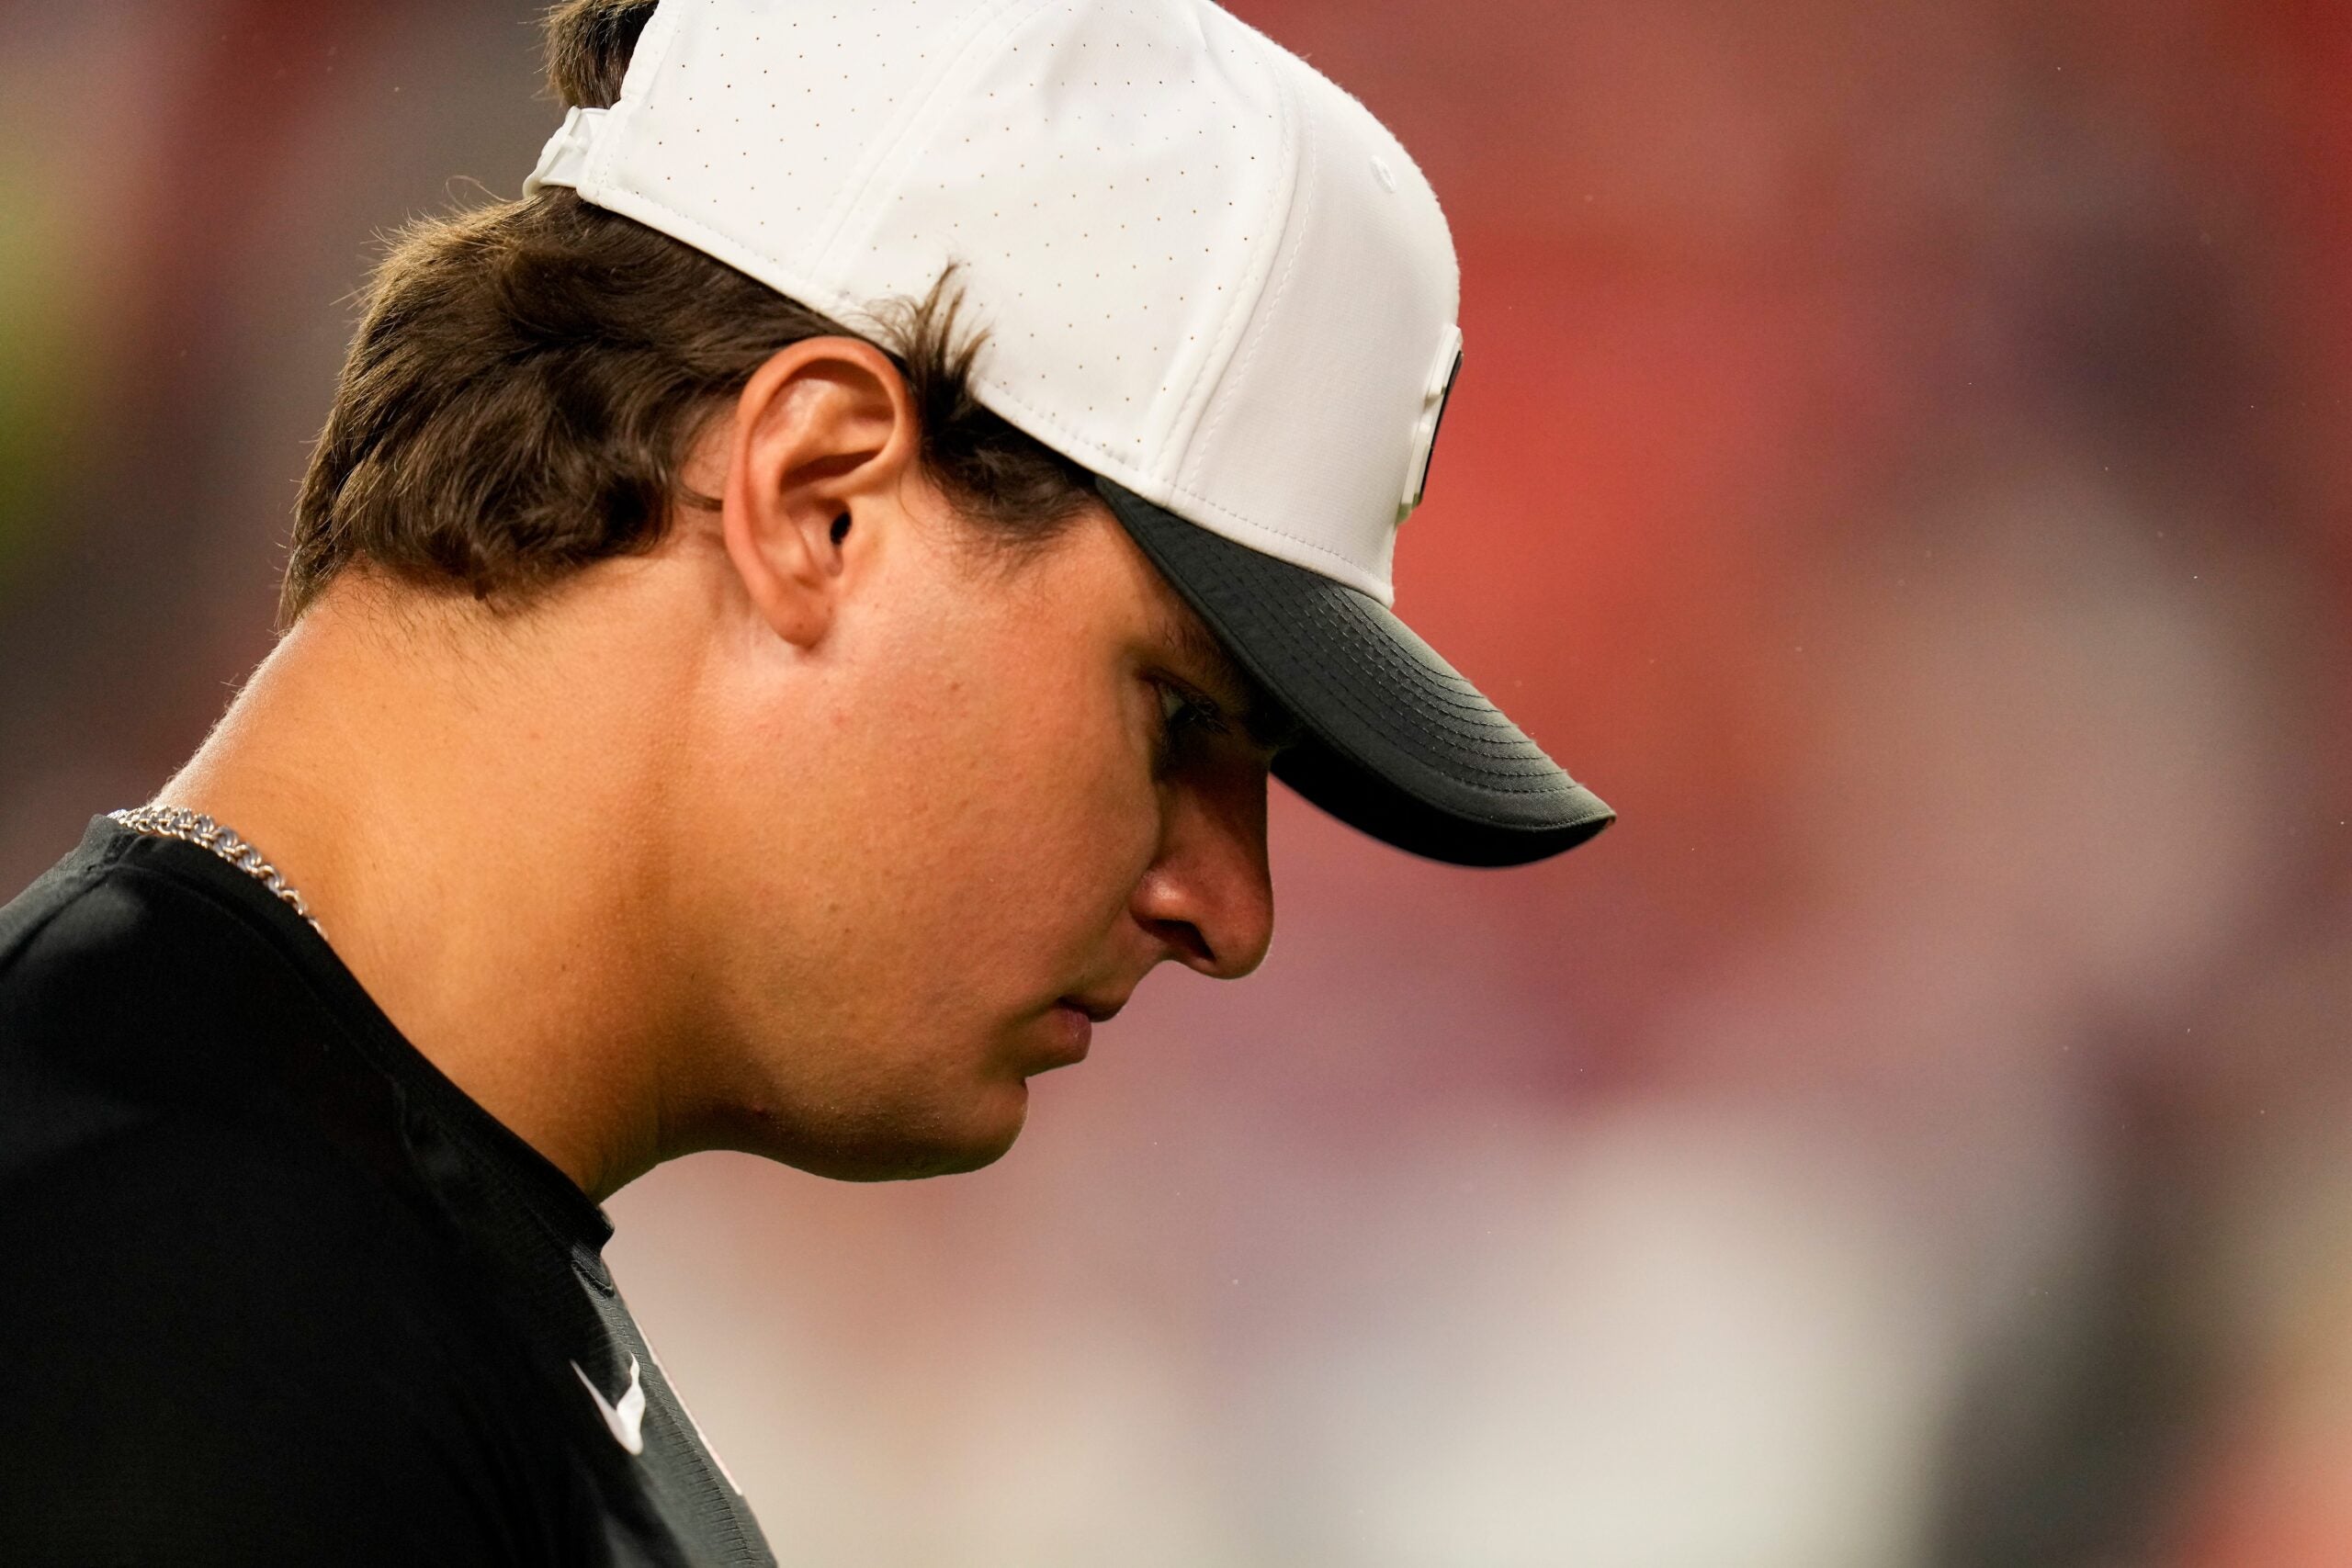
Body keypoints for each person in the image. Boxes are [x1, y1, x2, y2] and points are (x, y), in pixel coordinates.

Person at [0, 0, 1612, 1562]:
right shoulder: (175, 1326)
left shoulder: (309, 1244)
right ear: (816, 497)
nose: (1228, 909)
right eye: (1181, 713)